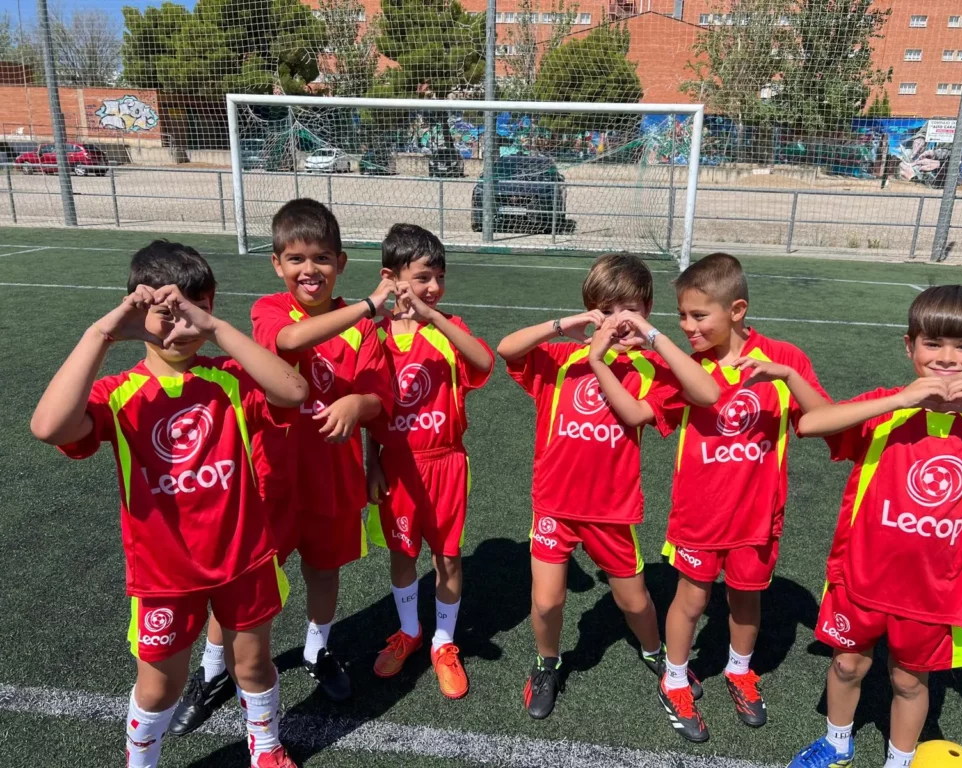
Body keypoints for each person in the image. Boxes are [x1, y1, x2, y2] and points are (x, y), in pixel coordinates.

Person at [30, 241, 308, 767]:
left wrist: (216, 328)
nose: (176, 328)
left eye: (190, 312)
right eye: (164, 315)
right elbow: (48, 427)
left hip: (243, 559)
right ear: (138, 312)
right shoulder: (119, 392)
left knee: (252, 664)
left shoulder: (228, 377)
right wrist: (103, 334)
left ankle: (266, 747)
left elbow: (292, 391)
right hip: (164, 573)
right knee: (161, 686)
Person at [170, 199, 394, 735]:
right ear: (277, 264)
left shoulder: (366, 334)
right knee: (242, 582)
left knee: (323, 566)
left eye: (320, 258)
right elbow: (289, 342)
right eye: (295, 258)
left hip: (333, 479)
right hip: (268, 478)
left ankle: (318, 651)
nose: (308, 270)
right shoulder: (271, 311)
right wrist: (367, 305)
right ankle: (213, 668)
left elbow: (379, 397)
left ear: (340, 261)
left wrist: (354, 405)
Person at [788, 285, 962, 768]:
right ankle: (836, 743)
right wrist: (899, 399)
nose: (948, 358)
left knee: (909, 681)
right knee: (847, 664)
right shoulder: (885, 410)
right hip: (859, 580)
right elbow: (813, 424)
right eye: (933, 344)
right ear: (909, 347)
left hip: (934, 597)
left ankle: (900, 760)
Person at [497, 252, 720, 720]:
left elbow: (661, 406)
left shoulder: (649, 370)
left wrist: (631, 349)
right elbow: (507, 349)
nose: (618, 320)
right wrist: (568, 324)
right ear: (591, 307)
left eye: (630, 309)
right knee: (546, 599)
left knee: (634, 601)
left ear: (647, 310)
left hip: (611, 511)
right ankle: (546, 662)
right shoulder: (561, 358)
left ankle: (656, 651)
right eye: (607, 307)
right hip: (555, 504)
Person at [660, 253, 832, 742]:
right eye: (683, 315)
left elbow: (821, 420)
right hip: (700, 513)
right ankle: (674, 679)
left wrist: (786, 377)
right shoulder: (689, 367)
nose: (687, 326)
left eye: (698, 316)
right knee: (691, 600)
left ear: (736, 309)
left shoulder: (785, 358)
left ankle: (739, 670)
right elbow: (645, 412)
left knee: (746, 598)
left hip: (758, 514)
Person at [365, 224, 494, 699]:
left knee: (448, 558)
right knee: (403, 555)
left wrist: (432, 317)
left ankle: (443, 642)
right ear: (391, 278)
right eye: (422, 277)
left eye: (439, 276)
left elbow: (483, 363)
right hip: (397, 466)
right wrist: (371, 462)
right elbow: (368, 407)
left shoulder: (448, 329)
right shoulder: (373, 336)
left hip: (445, 463)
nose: (434, 287)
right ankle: (409, 631)